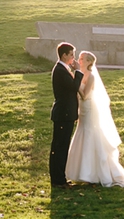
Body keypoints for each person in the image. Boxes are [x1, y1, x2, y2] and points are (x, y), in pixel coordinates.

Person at [65, 51, 124, 187]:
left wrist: (75, 83)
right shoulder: (81, 74)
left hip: (89, 109)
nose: (79, 60)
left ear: (89, 62)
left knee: (90, 133)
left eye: (82, 58)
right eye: (79, 57)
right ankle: (81, 173)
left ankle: (93, 173)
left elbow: (85, 95)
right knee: (82, 133)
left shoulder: (91, 77)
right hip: (82, 110)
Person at [49, 41, 83, 187]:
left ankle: (59, 178)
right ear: (64, 56)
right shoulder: (60, 71)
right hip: (64, 115)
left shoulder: (63, 69)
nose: (73, 58)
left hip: (66, 114)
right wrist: (79, 71)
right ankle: (58, 180)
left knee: (61, 147)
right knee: (60, 148)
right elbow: (74, 87)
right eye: (71, 55)